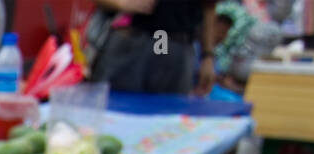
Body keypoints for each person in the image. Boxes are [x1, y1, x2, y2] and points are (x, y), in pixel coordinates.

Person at [91, 0, 219, 96]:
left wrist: (207, 56)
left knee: (167, 119)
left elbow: (209, 6)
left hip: (175, 44)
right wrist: (120, 3)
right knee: (114, 111)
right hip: (132, 38)